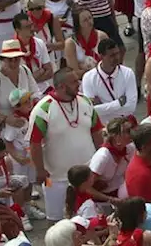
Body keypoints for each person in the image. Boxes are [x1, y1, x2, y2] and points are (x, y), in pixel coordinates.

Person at [29, 68, 101, 220]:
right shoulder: (43, 109)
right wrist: (40, 170)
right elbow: (34, 143)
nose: (79, 84)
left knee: (90, 220)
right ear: (61, 86)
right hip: (56, 179)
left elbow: (96, 131)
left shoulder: (86, 102)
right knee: (56, 221)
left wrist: (101, 160)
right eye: (74, 81)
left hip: (87, 175)